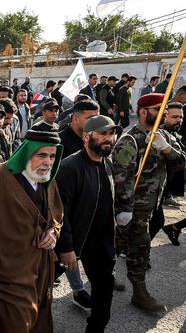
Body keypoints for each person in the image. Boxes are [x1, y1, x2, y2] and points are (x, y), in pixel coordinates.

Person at [0, 129, 64, 333]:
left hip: (37, 270)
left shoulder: (47, 179)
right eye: (42, 155)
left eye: (52, 156)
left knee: (35, 320)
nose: (48, 162)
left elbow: (56, 214)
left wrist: (53, 232)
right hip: (3, 271)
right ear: (27, 153)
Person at [112, 93, 186, 312]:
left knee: (120, 245)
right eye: (157, 109)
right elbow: (121, 177)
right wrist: (124, 209)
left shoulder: (163, 135)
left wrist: (165, 148)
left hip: (151, 207)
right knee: (138, 248)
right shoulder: (130, 140)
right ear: (143, 111)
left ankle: (112, 278)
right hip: (132, 208)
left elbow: (182, 161)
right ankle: (139, 292)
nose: (162, 113)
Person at [55, 116, 120, 333]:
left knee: (104, 289)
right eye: (102, 134)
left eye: (111, 134)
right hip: (71, 241)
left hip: (100, 243)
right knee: (36, 290)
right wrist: (66, 248)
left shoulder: (107, 163)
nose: (108, 139)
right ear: (86, 136)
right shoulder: (69, 168)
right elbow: (59, 213)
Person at [150, 102, 184, 241]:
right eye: (174, 117)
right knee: (156, 221)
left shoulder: (174, 134)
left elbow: (181, 159)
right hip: (150, 189)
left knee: (156, 221)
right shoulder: (155, 134)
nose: (179, 120)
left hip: (163, 187)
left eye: (181, 117)